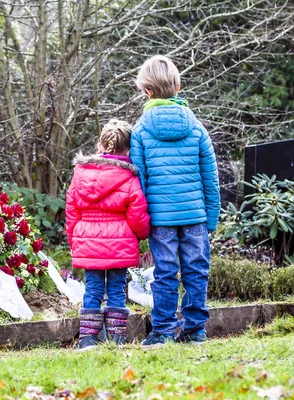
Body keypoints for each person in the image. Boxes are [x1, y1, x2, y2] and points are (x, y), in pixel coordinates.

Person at [130, 55, 221, 347]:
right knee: (197, 270)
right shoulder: (196, 128)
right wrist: (212, 215)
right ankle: (195, 329)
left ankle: (163, 330)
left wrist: (141, 222)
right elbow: (211, 176)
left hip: (161, 219)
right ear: (178, 86)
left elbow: (138, 181)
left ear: (147, 91)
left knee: (165, 272)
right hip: (195, 216)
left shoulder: (141, 130)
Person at [66, 119, 150, 350]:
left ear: (100, 145)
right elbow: (137, 214)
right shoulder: (130, 178)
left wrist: (74, 239)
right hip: (119, 243)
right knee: (115, 289)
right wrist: (142, 234)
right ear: (128, 149)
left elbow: (72, 209)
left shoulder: (81, 174)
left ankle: (87, 339)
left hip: (88, 240)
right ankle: (116, 338)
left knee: (92, 289)